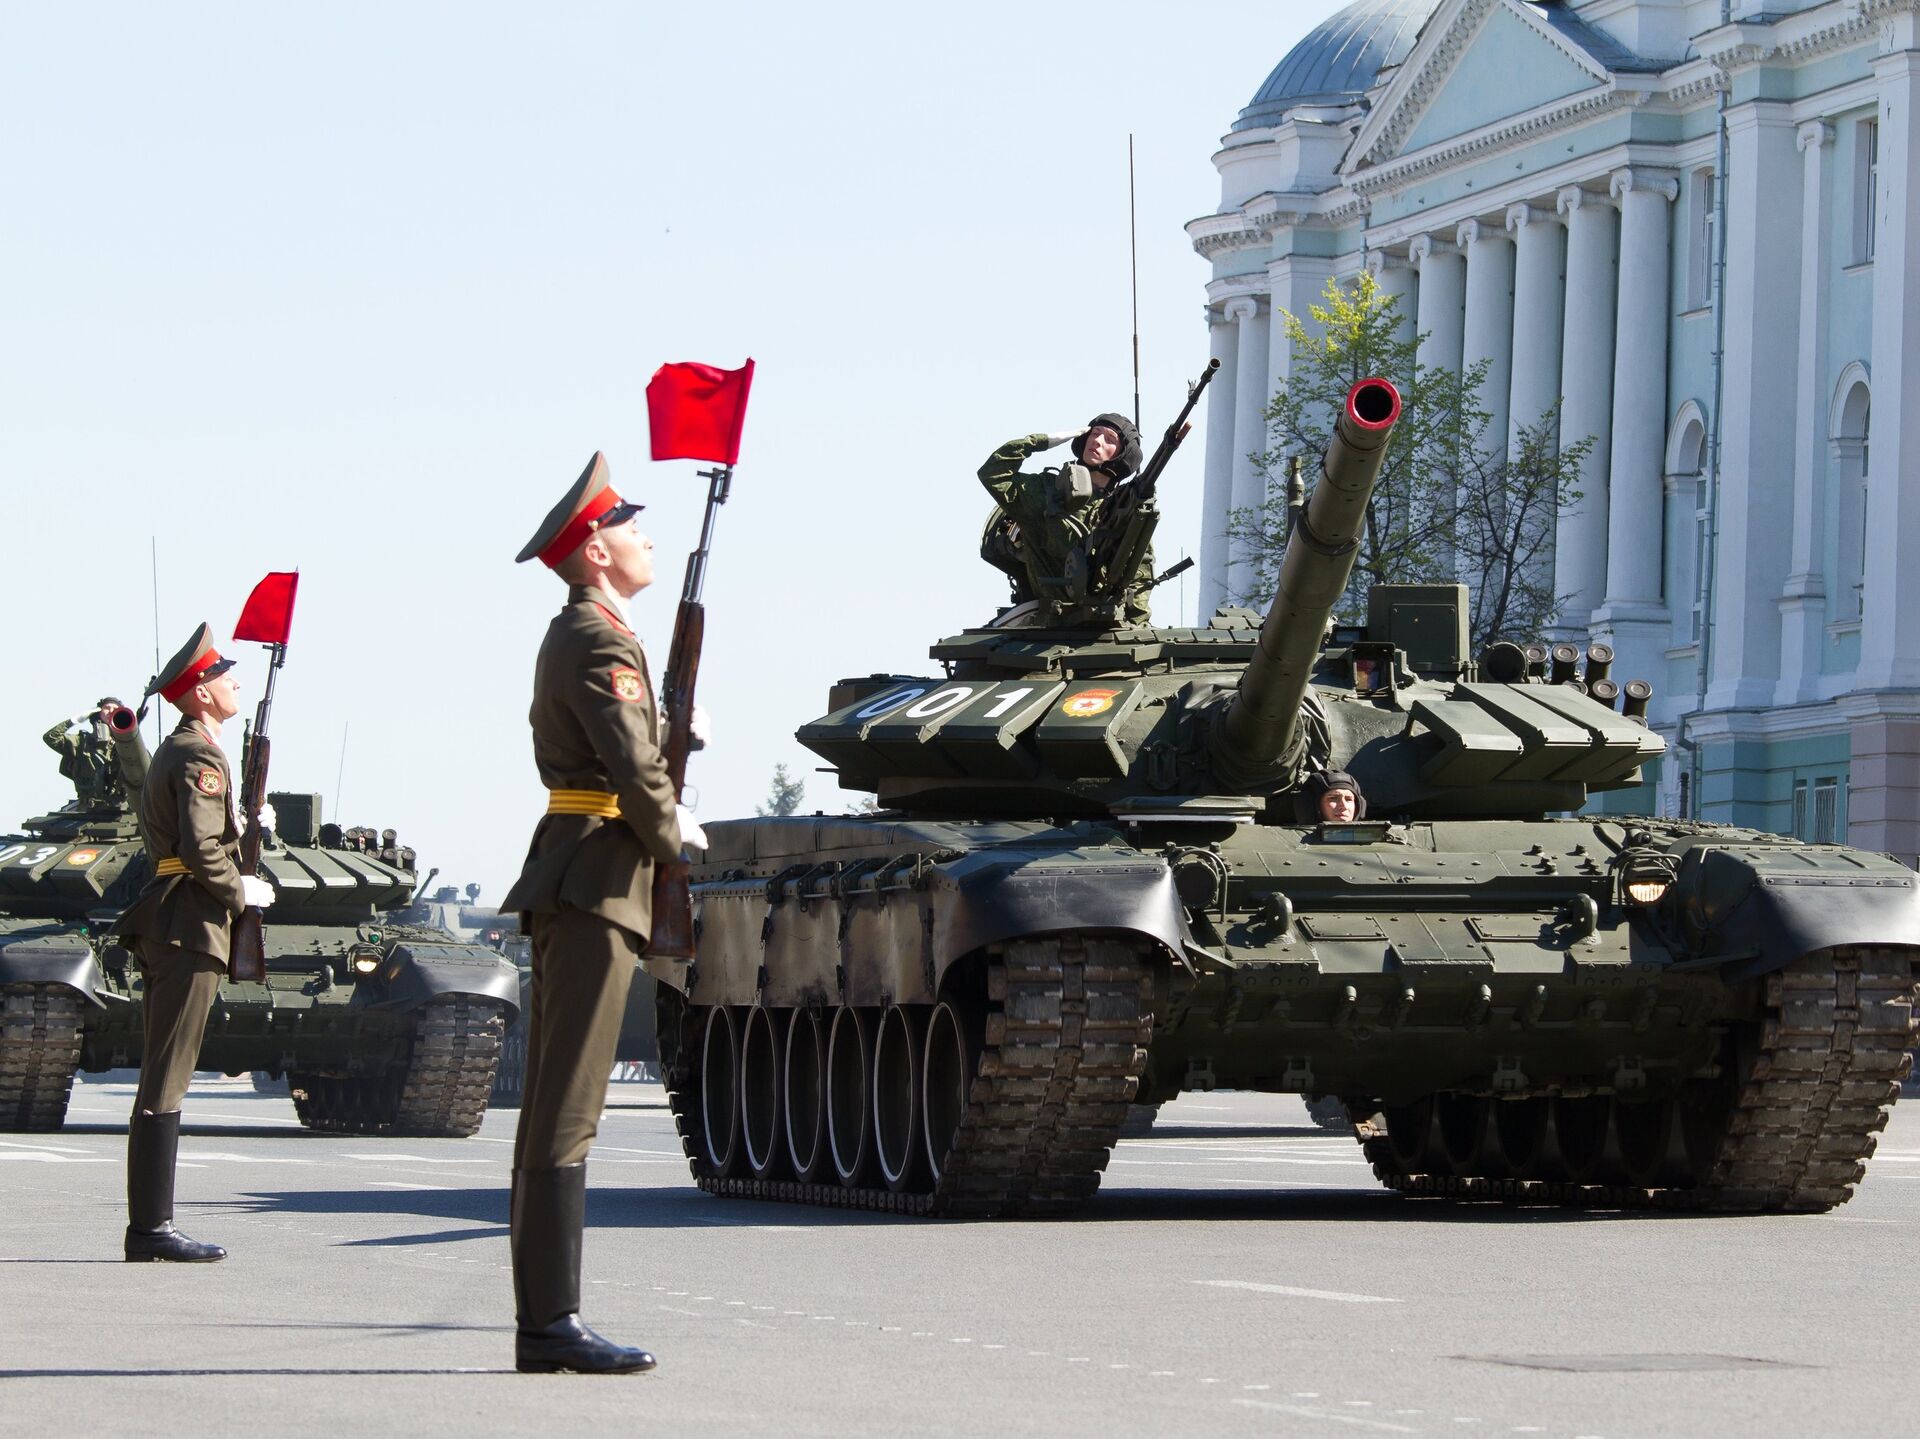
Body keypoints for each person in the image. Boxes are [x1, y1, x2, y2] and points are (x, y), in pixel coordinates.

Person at [503, 451, 705, 1375]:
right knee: (567, 1108)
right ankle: (550, 1326)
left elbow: (620, 746)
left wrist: (669, 746)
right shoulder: (599, 637)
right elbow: (625, 765)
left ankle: (548, 1320)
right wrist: (671, 830)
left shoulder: (588, 632)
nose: (646, 536)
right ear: (593, 552)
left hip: (582, 869)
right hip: (596, 876)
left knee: (558, 1101)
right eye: (629, 525)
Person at [111, 625, 275, 1262]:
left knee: (163, 1072)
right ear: (202, 693)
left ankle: (150, 1227)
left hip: (172, 918)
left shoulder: (185, 751)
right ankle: (151, 1230)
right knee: (168, 1077)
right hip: (190, 924)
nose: (235, 684)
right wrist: (241, 891)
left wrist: (244, 823)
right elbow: (201, 849)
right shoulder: (199, 758)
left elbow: (205, 835)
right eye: (225, 676)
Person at [978, 411, 1152, 622]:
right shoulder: (1047, 492)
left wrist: (1135, 623)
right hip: (1049, 621)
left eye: (1109, 439)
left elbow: (1140, 570)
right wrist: (1041, 441)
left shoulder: (1122, 510)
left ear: (1123, 456)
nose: (1097, 441)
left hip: (1102, 629)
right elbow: (992, 474)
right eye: (1094, 433)